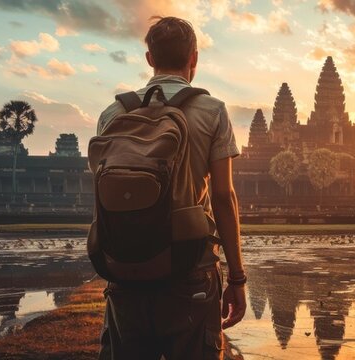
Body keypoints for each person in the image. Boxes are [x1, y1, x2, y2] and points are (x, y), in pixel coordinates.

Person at [95, 16, 246, 360]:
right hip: (190, 269)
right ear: (194, 57)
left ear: (149, 58)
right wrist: (237, 279)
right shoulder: (212, 112)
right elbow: (223, 198)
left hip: (125, 273)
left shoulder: (112, 114)